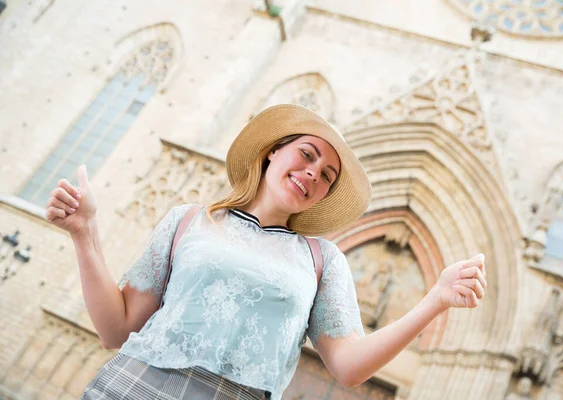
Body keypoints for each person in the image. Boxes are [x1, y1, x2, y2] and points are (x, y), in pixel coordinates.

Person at [45, 104, 487, 400]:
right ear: (273, 152)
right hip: (136, 386)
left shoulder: (322, 260)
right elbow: (115, 331)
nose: (313, 172)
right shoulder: (189, 220)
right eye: (307, 154)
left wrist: (435, 301)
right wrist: (85, 234)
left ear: (322, 196)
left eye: (327, 175)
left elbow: (350, 368)